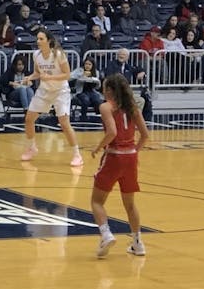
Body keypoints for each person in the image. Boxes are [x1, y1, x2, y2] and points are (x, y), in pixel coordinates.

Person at [90, 74, 150, 258]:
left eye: (104, 86)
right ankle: (138, 243)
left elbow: (112, 132)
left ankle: (106, 234)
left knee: (96, 201)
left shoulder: (106, 106)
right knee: (130, 204)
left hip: (114, 156)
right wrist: (134, 152)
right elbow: (145, 135)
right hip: (131, 158)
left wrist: (99, 147)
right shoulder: (133, 108)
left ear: (109, 90)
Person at [20, 30, 84, 166]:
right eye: (37, 39)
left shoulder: (58, 55)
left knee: (64, 123)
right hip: (44, 90)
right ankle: (31, 147)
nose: (38, 41)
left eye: (41, 39)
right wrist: (30, 77)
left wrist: (50, 77)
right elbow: (38, 72)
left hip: (61, 91)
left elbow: (67, 74)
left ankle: (77, 155)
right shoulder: (36, 55)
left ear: (48, 41)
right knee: (29, 119)